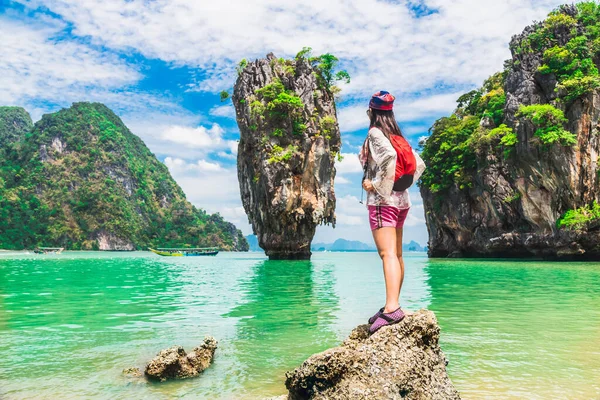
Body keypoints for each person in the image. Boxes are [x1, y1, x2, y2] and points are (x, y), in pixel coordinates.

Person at [359, 90, 426, 334]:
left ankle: (391, 307)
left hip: (382, 202)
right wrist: (400, 185)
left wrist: (376, 186)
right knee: (396, 254)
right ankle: (393, 304)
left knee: (387, 254)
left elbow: (388, 157)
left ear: (371, 111)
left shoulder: (376, 133)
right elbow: (419, 165)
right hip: (402, 201)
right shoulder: (396, 135)